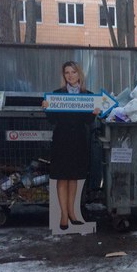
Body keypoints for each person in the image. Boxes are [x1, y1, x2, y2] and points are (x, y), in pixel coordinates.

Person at [42, 61, 99, 230]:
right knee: (62, 177)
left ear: (79, 74)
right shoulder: (56, 95)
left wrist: (94, 114)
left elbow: (87, 122)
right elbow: (52, 121)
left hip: (79, 141)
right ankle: (63, 215)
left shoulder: (88, 95)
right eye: (67, 72)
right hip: (61, 140)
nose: (70, 75)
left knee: (73, 177)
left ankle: (73, 212)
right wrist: (47, 109)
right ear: (64, 75)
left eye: (73, 72)